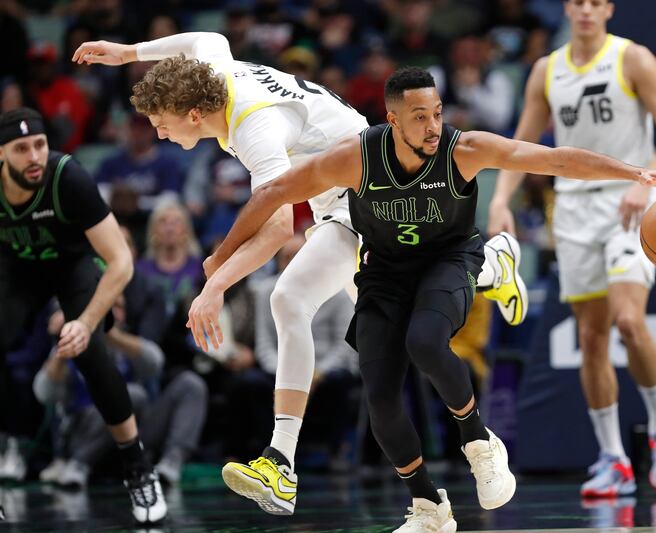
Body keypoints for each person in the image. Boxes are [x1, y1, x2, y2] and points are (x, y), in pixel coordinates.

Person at [196, 67, 656, 530]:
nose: (433, 126)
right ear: (392, 120)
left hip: (449, 260)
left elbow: (552, 159)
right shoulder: (356, 158)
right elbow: (274, 192)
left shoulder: (463, 150)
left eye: (436, 113)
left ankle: (480, 442)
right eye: (419, 117)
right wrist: (221, 258)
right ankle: (428, 507)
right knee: (381, 400)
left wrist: (636, 173)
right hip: (384, 272)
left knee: (427, 342)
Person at [72, 31, 530, 516]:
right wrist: (128, 54)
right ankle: (284, 465)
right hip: (341, 199)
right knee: (301, 307)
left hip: (372, 196)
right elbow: (208, 37)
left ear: (191, 114)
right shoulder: (213, 73)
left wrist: (215, 285)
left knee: (363, 320)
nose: (160, 134)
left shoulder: (255, 129)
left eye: (161, 125)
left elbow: (275, 229)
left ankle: (490, 269)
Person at [488, 0, 656, 497]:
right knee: (592, 337)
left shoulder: (633, 58)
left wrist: (646, 178)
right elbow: (522, 145)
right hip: (574, 209)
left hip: (631, 204)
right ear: (567, 9)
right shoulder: (546, 70)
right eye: (578, 2)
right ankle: (614, 459)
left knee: (628, 320)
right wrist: (499, 200)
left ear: (608, 9)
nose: (585, 10)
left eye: (595, 3)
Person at [0, 107, 166, 523]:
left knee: (91, 353)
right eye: (21, 149)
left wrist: (86, 321)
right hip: (15, 270)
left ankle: (137, 467)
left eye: (39, 144)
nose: (35, 156)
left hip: (71, 267)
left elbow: (121, 260)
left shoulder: (67, 177)